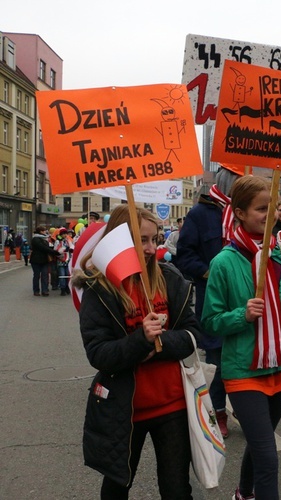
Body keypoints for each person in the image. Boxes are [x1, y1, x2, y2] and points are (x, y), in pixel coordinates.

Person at [201, 175, 281, 500]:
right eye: (260, 209)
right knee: (268, 456)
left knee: (261, 443)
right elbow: (210, 322)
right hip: (244, 374)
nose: (270, 215)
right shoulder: (224, 263)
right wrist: (241, 315)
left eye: (272, 207)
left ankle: (243, 493)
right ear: (239, 213)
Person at [72, 205, 201, 498]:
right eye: (142, 240)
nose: (151, 248)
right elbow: (99, 354)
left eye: (155, 240)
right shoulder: (100, 289)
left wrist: (158, 344)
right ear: (119, 241)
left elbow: (193, 335)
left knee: (177, 489)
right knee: (117, 487)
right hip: (124, 409)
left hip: (173, 406)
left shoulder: (170, 279)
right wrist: (140, 340)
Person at [176, 166, 240, 438]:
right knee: (217, 360)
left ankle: (245, 411)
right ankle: (219, 413)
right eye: (237, 184)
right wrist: (209, 272)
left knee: (244, 359)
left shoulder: (245, 214)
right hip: (214, 301)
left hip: (246, 299)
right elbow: (184, 256)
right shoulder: (200, 214)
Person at [29, 226, 59, 296]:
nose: (46, 232)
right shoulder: (35, 239)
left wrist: (54, 250)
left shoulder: (45, 239)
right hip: (36, 260)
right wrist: (54, 252)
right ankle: (36, 291)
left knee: (45, 275)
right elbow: (43, 248)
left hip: (45, 260)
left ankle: (45, 290)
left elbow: (47, 247)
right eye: (44, 230)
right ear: (41, 231)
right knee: (36, 275)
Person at [53, 228, 74, 295]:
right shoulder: (58, 241)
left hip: (68, 260)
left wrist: (71, 249)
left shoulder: (68, 241)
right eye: (63, 234)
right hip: (61, 260)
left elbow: (72, 247)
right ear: (61, 235)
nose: (65, 235)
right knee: (62, 275)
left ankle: (67, 287)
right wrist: (64, 249)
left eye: (65, 234)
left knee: (68, 275)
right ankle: (62, 288)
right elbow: (56, 250)